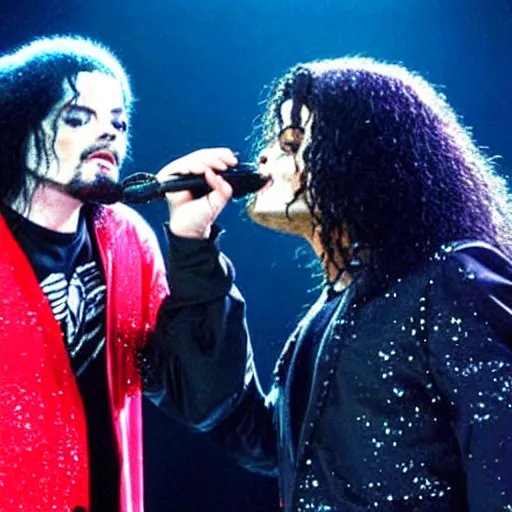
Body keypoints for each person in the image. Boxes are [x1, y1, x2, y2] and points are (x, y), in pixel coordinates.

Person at [143, 57, 512, 511]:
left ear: (362, 159)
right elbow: (257, 437)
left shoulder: (450, 279)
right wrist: (192, 243)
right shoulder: (325, 317)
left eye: (292, 143)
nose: (264, 157)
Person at [0, 35, 238, 512]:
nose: (108, 133)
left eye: (118, 122)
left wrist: (193, 246)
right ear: (17, 128)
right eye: (77, 117)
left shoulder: (129, 240)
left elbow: (201, 397)